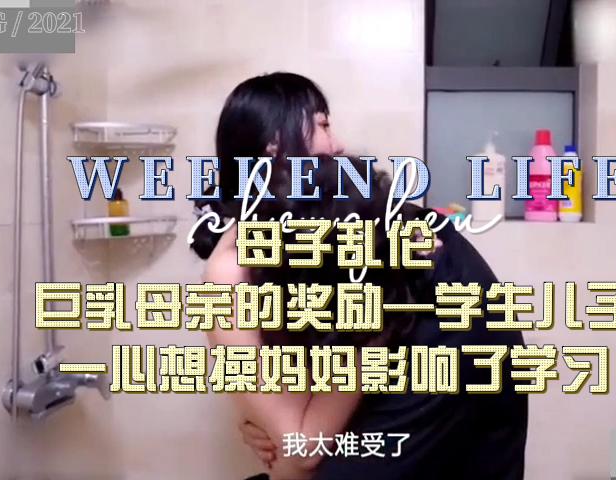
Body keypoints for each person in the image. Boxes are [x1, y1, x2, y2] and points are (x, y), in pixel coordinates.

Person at [190, 72, 528, 479]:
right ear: (275, 145)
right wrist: (266, 423)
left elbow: (303, 444)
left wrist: (284, 436)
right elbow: (301, 432)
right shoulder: (231, 270)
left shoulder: (339, 220)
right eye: (322, 125)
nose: (338, 144)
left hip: (452, 332)